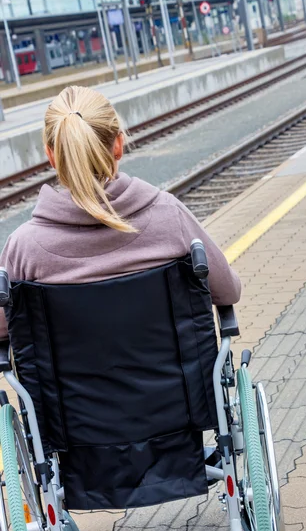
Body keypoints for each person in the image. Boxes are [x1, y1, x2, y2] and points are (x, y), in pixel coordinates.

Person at [0, 85, 241, 341]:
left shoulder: (23, 248)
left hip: (63, 383)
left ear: (51, 156)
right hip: (178, 381)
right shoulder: (170, 216)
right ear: (118, 144)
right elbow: (229, 291)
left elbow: (3, 329)